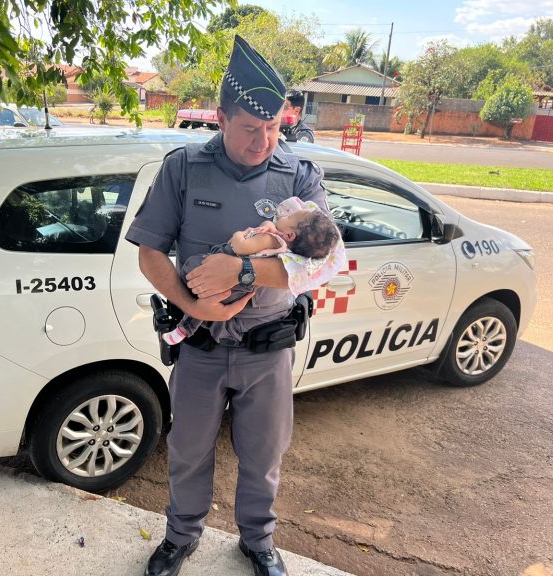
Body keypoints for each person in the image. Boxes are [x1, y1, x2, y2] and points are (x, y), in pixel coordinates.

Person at [125, 35, 346, 576]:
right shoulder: (183, 168)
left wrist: (242, 270)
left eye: (273, 128)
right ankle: (181, 537)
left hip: (267, 348)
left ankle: (258, 541)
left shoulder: (298, 176)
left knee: (264, 454)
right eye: (250, 128)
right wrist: (191, 304)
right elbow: (150, 253)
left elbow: (324, 260)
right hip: (200, 346)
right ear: (220, 118)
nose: (262, 141)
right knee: (188, 452)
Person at [162, 197, 340, 346]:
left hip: (230, 277)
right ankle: (186, 329)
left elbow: (240, 246)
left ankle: (185, 329)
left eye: (290, 217)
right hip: (245, 287)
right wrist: (268, 225)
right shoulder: (285, 247)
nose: (286, 215)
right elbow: (271, 226)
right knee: (208, 302)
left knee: (204, 298)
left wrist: (240, 234)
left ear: (289, 235)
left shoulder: (271, 240)